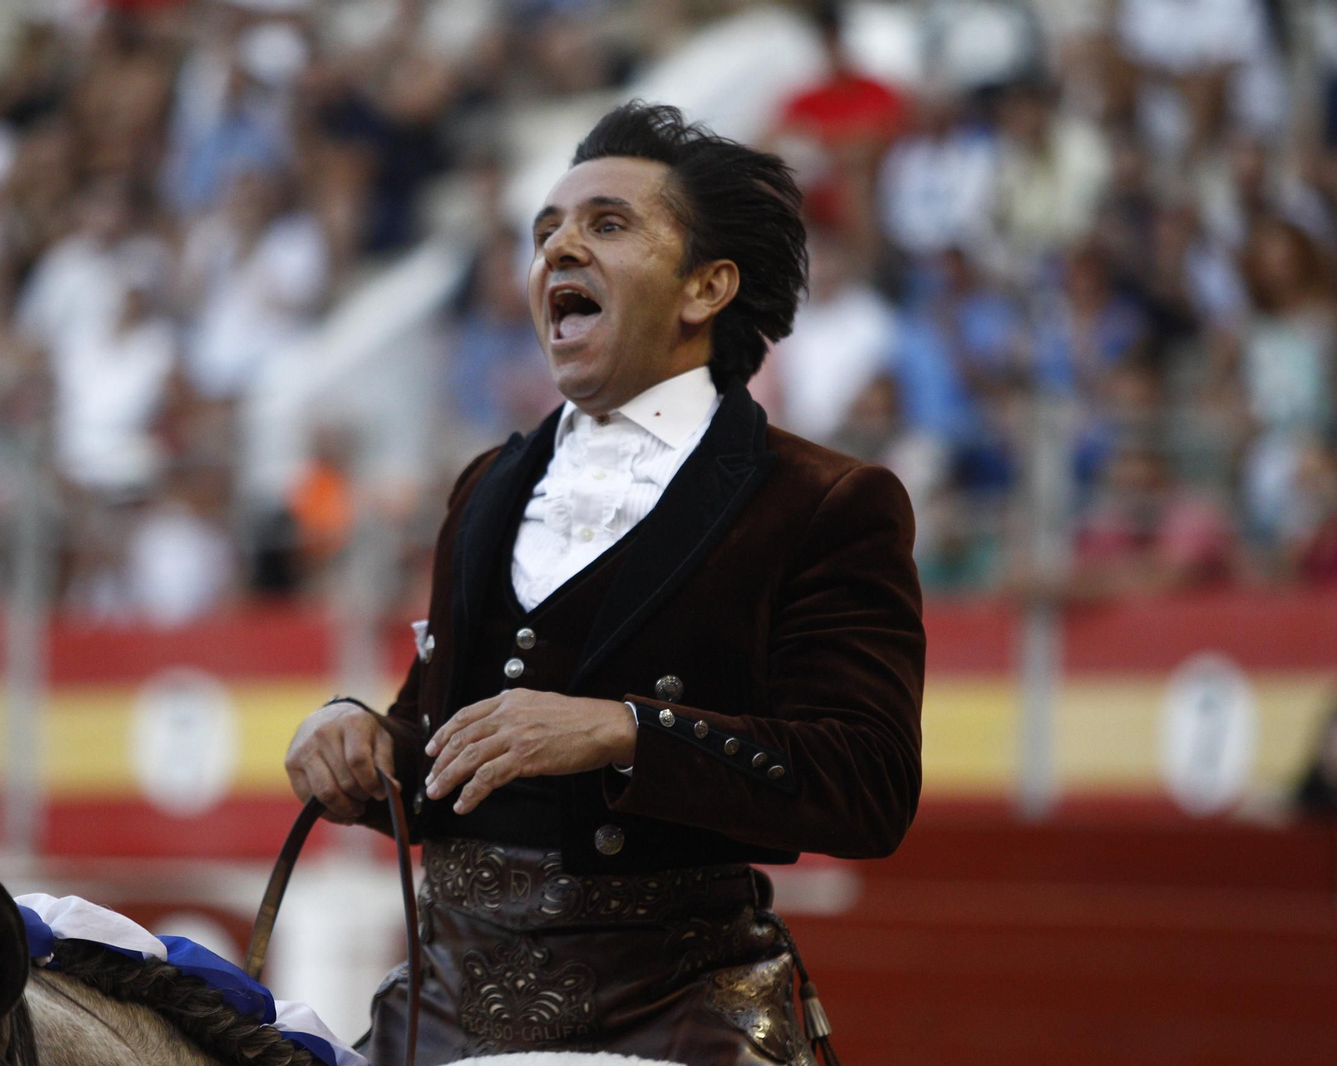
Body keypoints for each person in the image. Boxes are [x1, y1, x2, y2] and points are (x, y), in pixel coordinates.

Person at [284, 102, 925, 1065]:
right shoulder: (484, 484)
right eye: (546, 231)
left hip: (677, 1010)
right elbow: (443, 750)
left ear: (707, 286)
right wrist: (359, 740)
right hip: (444, 1006)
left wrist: (623, 731)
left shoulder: (824, 501)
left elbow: (869, 783)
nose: (559, 248)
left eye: (608, 224)